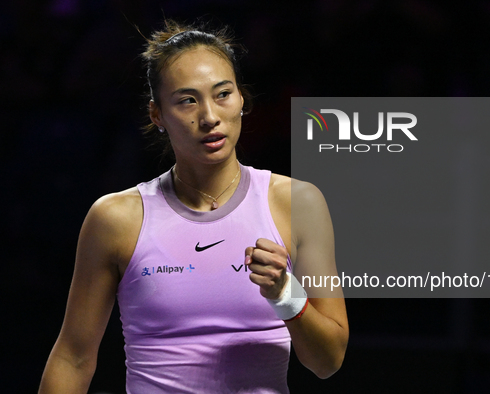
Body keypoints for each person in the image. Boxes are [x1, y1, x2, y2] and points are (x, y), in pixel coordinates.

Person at [39, 20, 348, 393]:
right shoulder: (115, 218)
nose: (209, 117)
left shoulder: (298, 203)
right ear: (157, 116)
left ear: (241, 100)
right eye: (187, 100)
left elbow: (328, 362)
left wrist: (286, 294)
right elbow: (73, 358)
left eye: (222, 94)